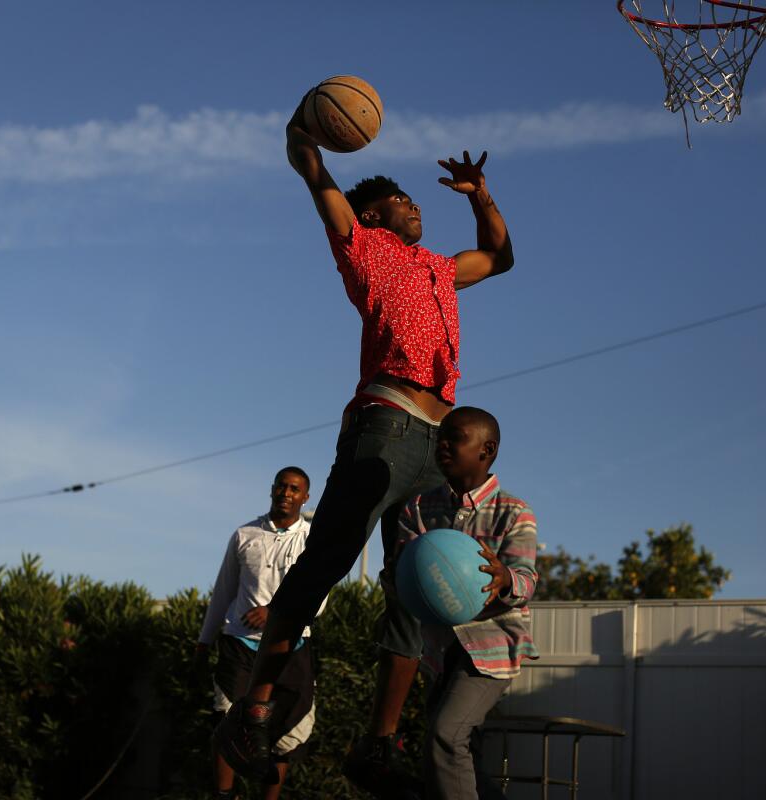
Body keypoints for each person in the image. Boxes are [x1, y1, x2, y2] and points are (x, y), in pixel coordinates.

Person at [214, 90, 517, 796]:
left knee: (421, 590)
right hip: (385, 421)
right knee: (326, 559)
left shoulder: (441, 268)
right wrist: (303, 123)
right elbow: (310, 170)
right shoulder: (364, 245)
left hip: (438, 440)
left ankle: (377, 744)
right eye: (406, 202)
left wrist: (480, 194)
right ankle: (252, 711)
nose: (418, 210)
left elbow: (500, 257)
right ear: (378, 213)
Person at [392, 406, 538, 800]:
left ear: (485, 450)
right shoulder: (418, 509)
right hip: (440, 650)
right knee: (456, 755)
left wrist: (505, 578)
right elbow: (407, 574)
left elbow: (527, 581)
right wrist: (400, 576)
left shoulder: (514, 512)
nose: (442, 444)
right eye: (440, 437)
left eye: (454, 438)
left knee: (446, 735)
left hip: (491, 648)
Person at [195, 467, 322, 799]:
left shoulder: (314, 539)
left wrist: (275, 614)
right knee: (228, 720)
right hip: (240, 643)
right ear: (272, 490)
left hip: (289, 646)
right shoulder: (244, 535)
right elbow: (224, 591)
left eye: (294, 489)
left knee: (287, 731)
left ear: (305, 497)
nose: (286, 493)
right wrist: (205, 639)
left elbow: (319, 599)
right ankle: (224, 794)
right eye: (281, 486)